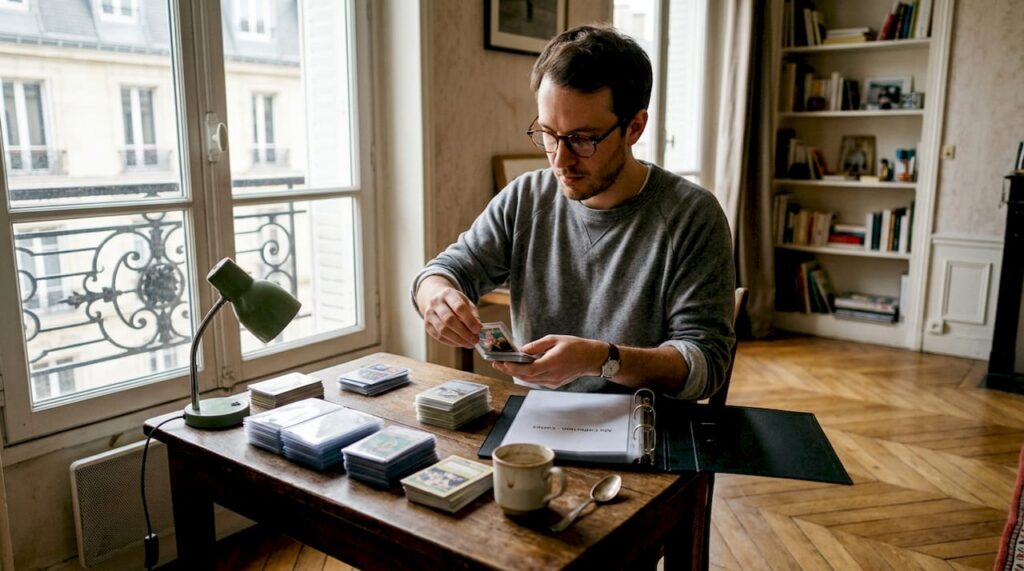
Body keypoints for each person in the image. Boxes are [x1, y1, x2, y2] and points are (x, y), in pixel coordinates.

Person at [411, 25, 735, 399]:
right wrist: (435, 294)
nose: (560, 160)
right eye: (549, 133)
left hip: (643, 424)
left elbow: (706, 366)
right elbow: (446, 270)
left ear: (634, 128)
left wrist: (602, 359)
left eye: (582, 139)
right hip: (534, 419)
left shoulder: (692, 216)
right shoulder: (525, 197)